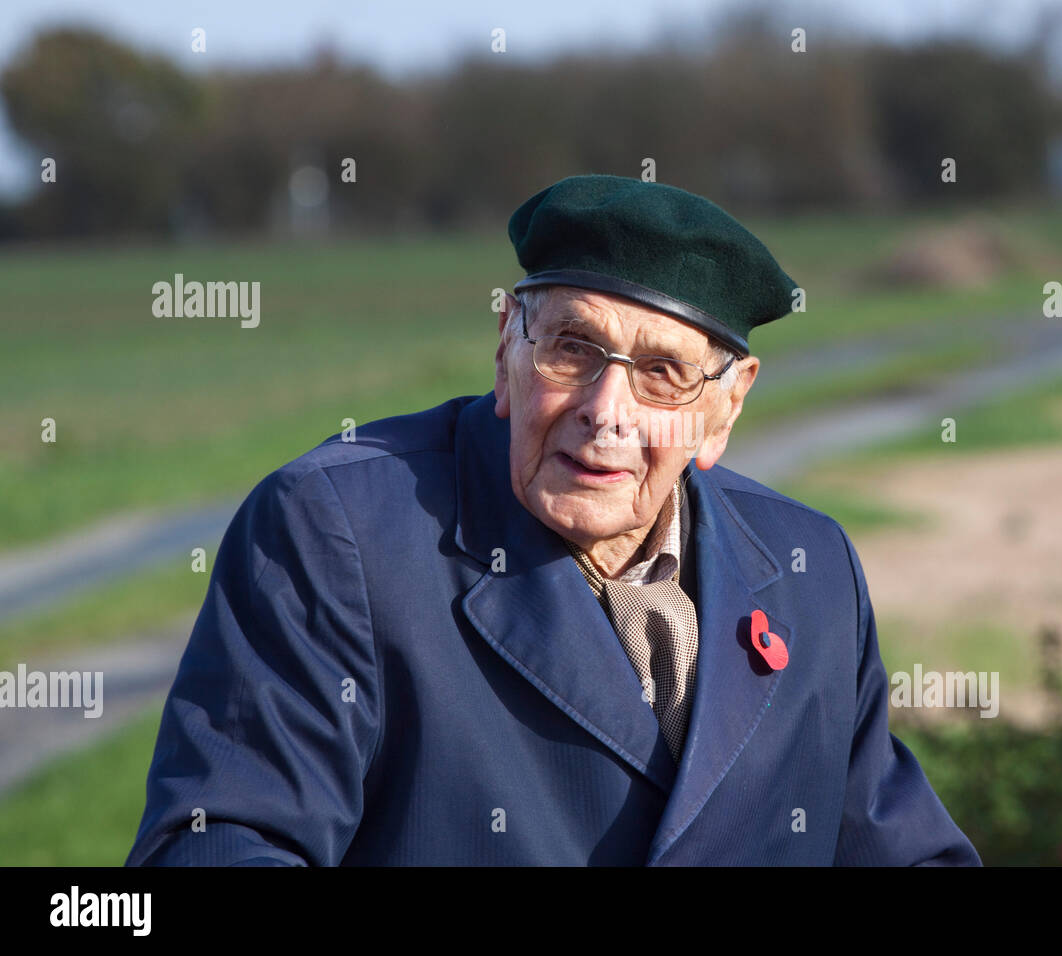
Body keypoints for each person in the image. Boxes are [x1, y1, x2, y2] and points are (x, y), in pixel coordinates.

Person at [125, 174, 981, 866]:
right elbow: (218, 847)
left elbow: (897, 848)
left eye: (661, 372)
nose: (606, 411)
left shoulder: (809, 567)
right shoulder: (335, 531)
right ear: (508, 349)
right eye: (574, 348)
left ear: (723, 411)